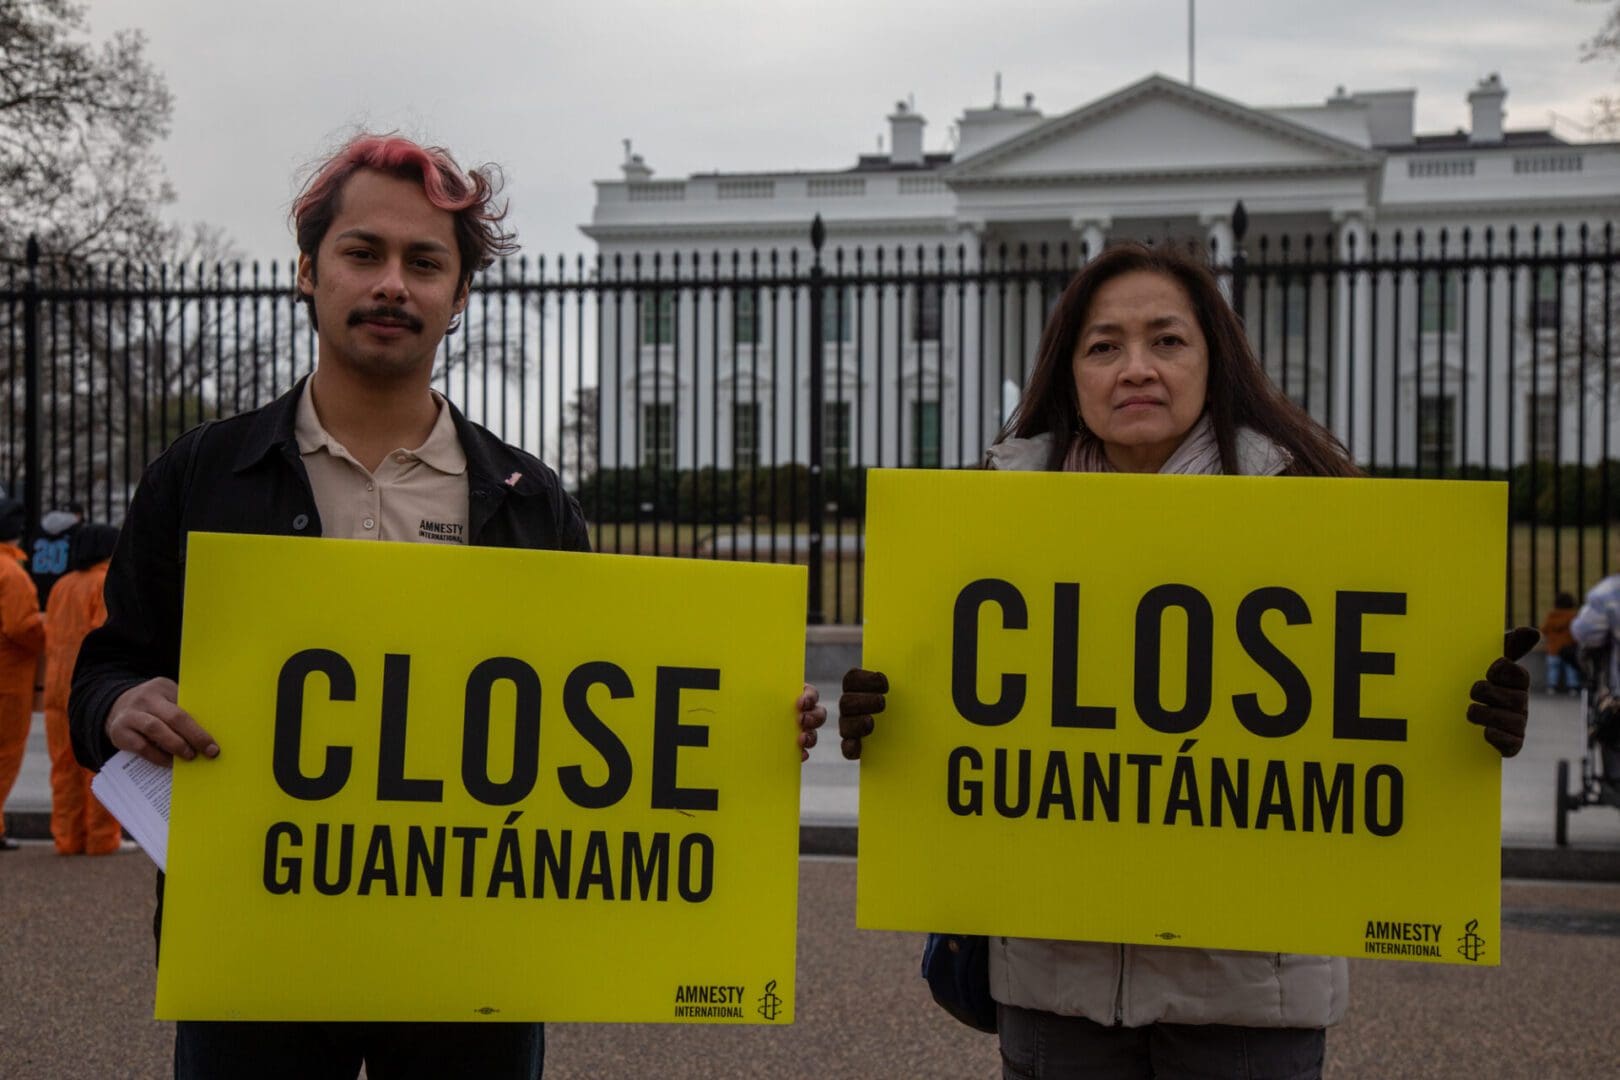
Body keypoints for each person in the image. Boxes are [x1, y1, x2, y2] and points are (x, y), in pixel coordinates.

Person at [68, 133, 825, 1080]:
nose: (394, 283)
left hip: (472, 970)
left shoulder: (528, 498)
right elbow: (103, 672)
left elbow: (599, 713)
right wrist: (117, 707)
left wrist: (744, 722)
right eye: (363, 253)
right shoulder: (201, 475)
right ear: (307, 271)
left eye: (425, 263)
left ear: (459, 297)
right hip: (254, 953)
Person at [837, 242, 1536, 1080]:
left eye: (1167, 341)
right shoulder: (991, 518)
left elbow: (1382, 721)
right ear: (1070, 372)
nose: (1136, 368)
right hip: (1057, 984)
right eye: (1104, 346)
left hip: (1246, 992)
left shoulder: (1315, 510)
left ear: (1214, 363)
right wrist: (885, 716)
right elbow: (952, 724)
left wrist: (1475, 715)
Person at [44, 523, 123, 855]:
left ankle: (67, 838)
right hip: (89, 687)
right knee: (101, 765)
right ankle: (101, 840)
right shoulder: (104, 584)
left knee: (63, 768)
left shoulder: (61, 586)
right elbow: (108, 638)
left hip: (56, 684)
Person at [0, 495, 47, 852]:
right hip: (8, 677)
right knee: (5, 754)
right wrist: (50, 629)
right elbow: (20, 626)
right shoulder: (11, 573)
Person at [1540, 591, 1581, 695]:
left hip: (1553, 648)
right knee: (1571, 668)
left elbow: (1544, 629)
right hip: (1568, 648)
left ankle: (1551, 686)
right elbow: (1577, 631)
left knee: (1553, 669)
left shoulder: (1552, 616)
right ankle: (1573, 687)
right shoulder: (1573, 616)